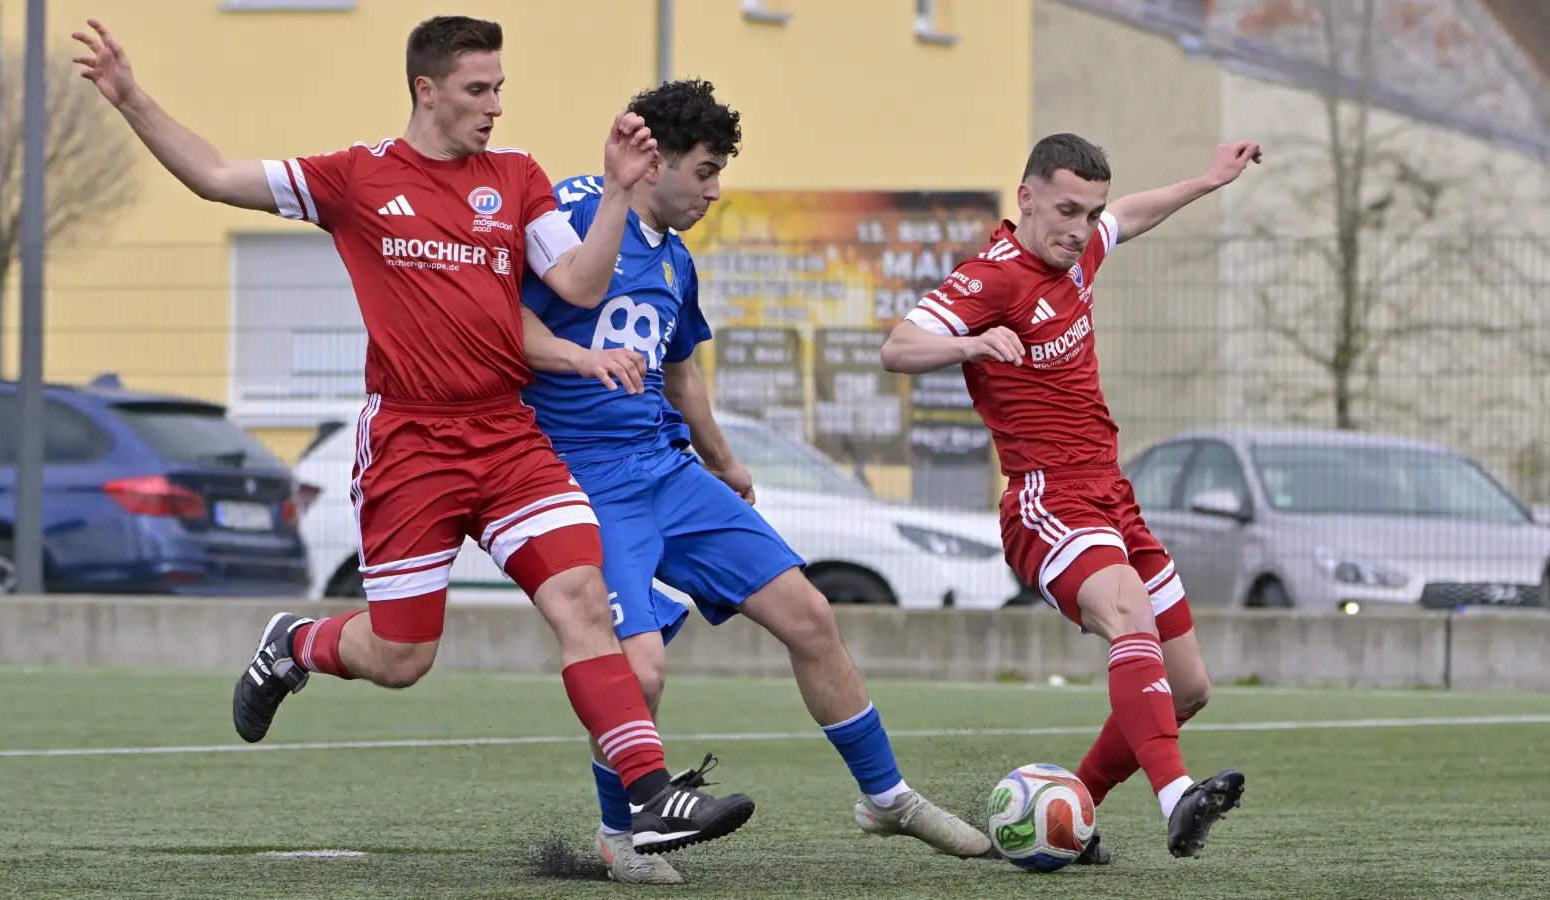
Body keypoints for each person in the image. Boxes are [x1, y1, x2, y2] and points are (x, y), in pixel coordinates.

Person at [70, 15, 754, 854]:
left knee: (583, 599)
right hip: (412, 446)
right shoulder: (357, 178)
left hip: (507, 437)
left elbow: (578, 283)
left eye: (500, 88)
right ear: (426, 90)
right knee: (401, 658)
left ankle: (648, 798)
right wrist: (131, 97)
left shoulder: (517, 176)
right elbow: (214, 176)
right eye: (478, 89)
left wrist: (615, 192)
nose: (495, 106)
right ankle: (296, 644)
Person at [515, 78, 993, 884]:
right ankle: (619, 837)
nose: (714, 192)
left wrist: (725, 460)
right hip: (584, 481)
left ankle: (888, 798)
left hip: (668, 471)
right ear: (655, 162)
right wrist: (576, 359)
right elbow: (503, 320)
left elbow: (681, 372)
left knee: (810, 615)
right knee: (640, 671)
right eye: (704, 172)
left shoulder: (675, 259)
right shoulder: (570, 211)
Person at [880, 133, 1262, 861]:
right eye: (1066, 211)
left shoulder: (1078, 252)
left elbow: (1133, 214)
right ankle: (1178, 795)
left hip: (1113, 495)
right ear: (1026, 198)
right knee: (1129, 612)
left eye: (1090, 213)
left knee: (1188, 688)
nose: (1081, 228)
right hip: (1047, 499)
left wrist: (1209, 180)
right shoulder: (993, 278)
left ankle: (1069, 813)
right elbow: (898, 347)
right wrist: (970, 345)